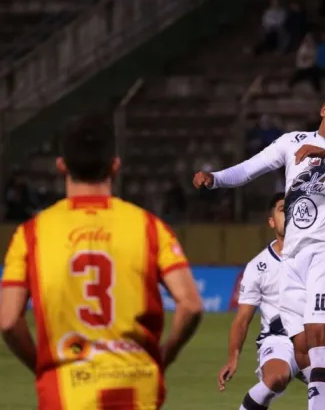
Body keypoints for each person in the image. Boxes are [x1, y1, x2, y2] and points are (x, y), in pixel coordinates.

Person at [0, 114, 203, 409]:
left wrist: (44, 367)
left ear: (61, 165)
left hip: (66, 389)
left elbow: (7, 321)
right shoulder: (148, 226)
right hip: (137, 386)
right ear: (115, 165)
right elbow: (192, 304)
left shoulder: (31, 234)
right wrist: (163, 357)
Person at [194, 87, 325, 410]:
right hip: (293, 258)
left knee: (318, 340)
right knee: (303, 349)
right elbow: (249, 169)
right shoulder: (292, 142)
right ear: (324, 109)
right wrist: (215, 179)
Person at [218, 193, 325, 409]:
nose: (289, 214)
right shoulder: (258, 266)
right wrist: (233, 358)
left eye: (292, 209)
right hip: (278, 340)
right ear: (271, 221)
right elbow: (242, 320)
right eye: (281, 210)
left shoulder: (321, 255)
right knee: (276, 377)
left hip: (316, 337)